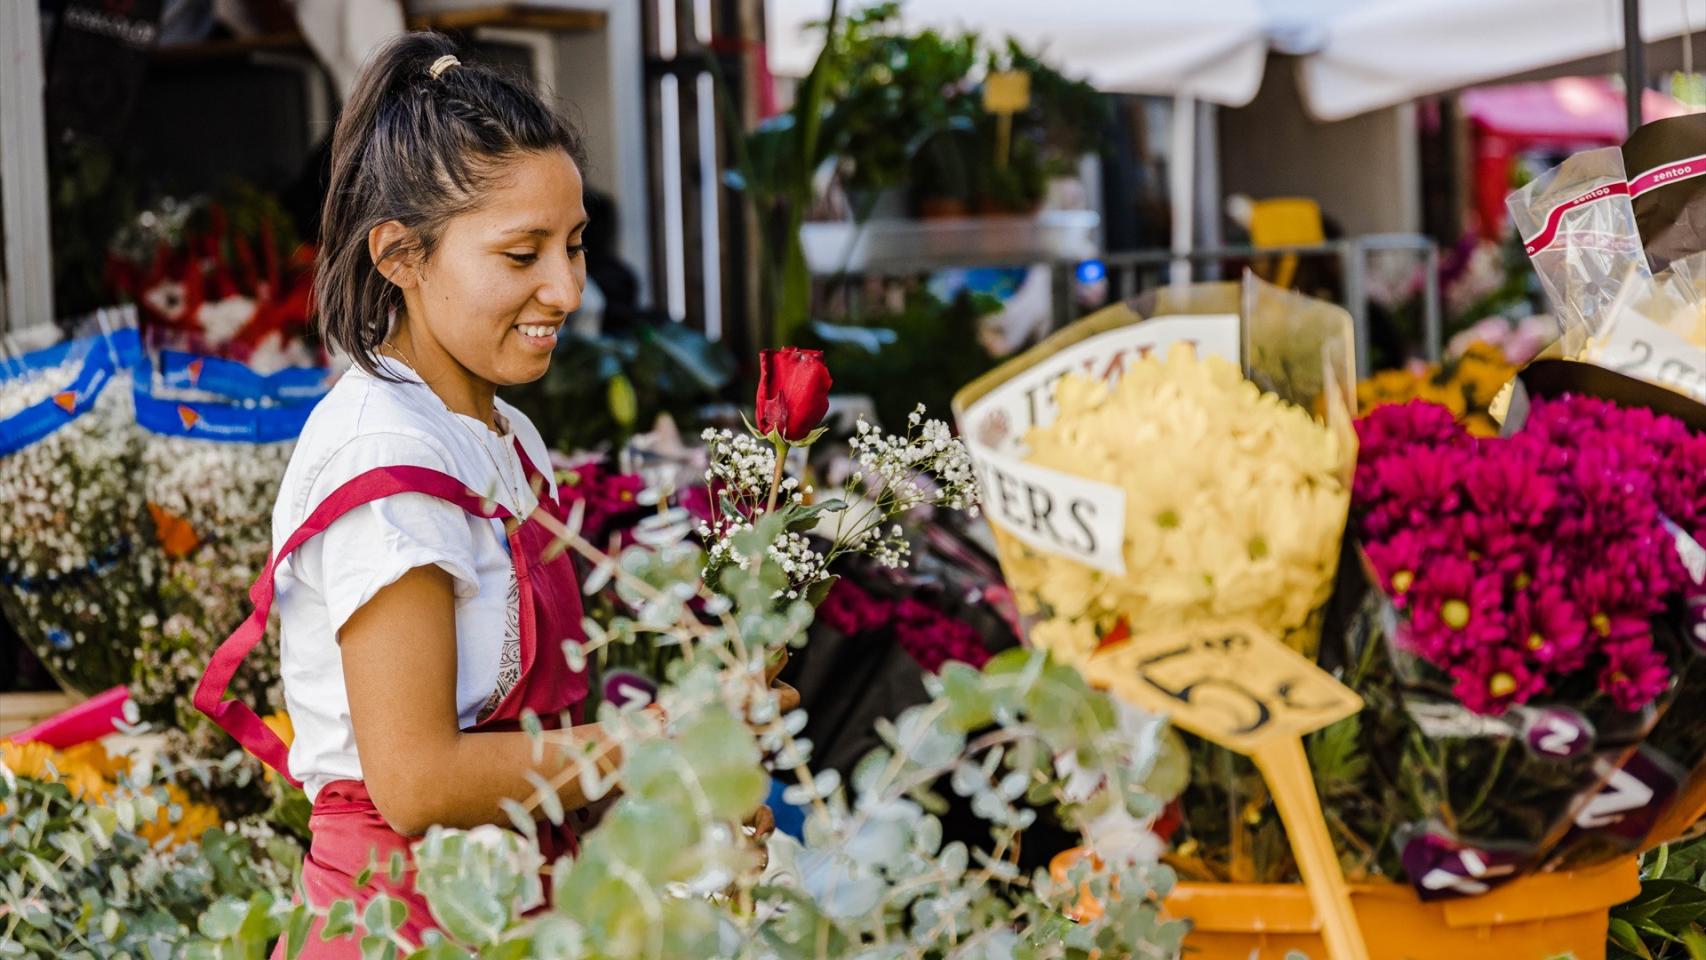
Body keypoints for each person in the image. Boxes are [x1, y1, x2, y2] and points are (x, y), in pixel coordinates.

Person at [193, 32, 791, 957]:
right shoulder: (383, 462)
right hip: (409, 928)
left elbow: (522, 744)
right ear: (399, 254)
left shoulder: (502, 438)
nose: (567, 287)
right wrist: (660, 738)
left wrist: (682, 796)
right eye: (522, 254)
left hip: (508, 913)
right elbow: (421, 781)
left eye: (575, 244)